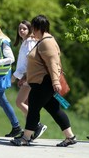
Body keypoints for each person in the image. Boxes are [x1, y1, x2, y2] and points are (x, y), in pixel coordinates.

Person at [10, 15, 77, 147]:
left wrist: (56, 82)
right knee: (54, 110)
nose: (32, 31)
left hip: (43, 83)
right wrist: (25, 77)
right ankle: (70, 136)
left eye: (33, 28)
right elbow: (37, 64)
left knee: (33, 110)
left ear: (37, 27)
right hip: (40, 82)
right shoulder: (42, 41)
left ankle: (26, 138)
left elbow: (53, 63)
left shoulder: (47, 42)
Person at [12, 20, 47, 140]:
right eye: (20, 29)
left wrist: (16, 76)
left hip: (31, 76)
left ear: (30, 30)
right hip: (26, 76)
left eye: (24, 29)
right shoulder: (25, 42)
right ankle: (28, 131)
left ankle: (37, 125)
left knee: (19, 102)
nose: (21, 31)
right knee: (26, 104)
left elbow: (30, 62)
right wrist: (21, 76)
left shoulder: (30, 42)